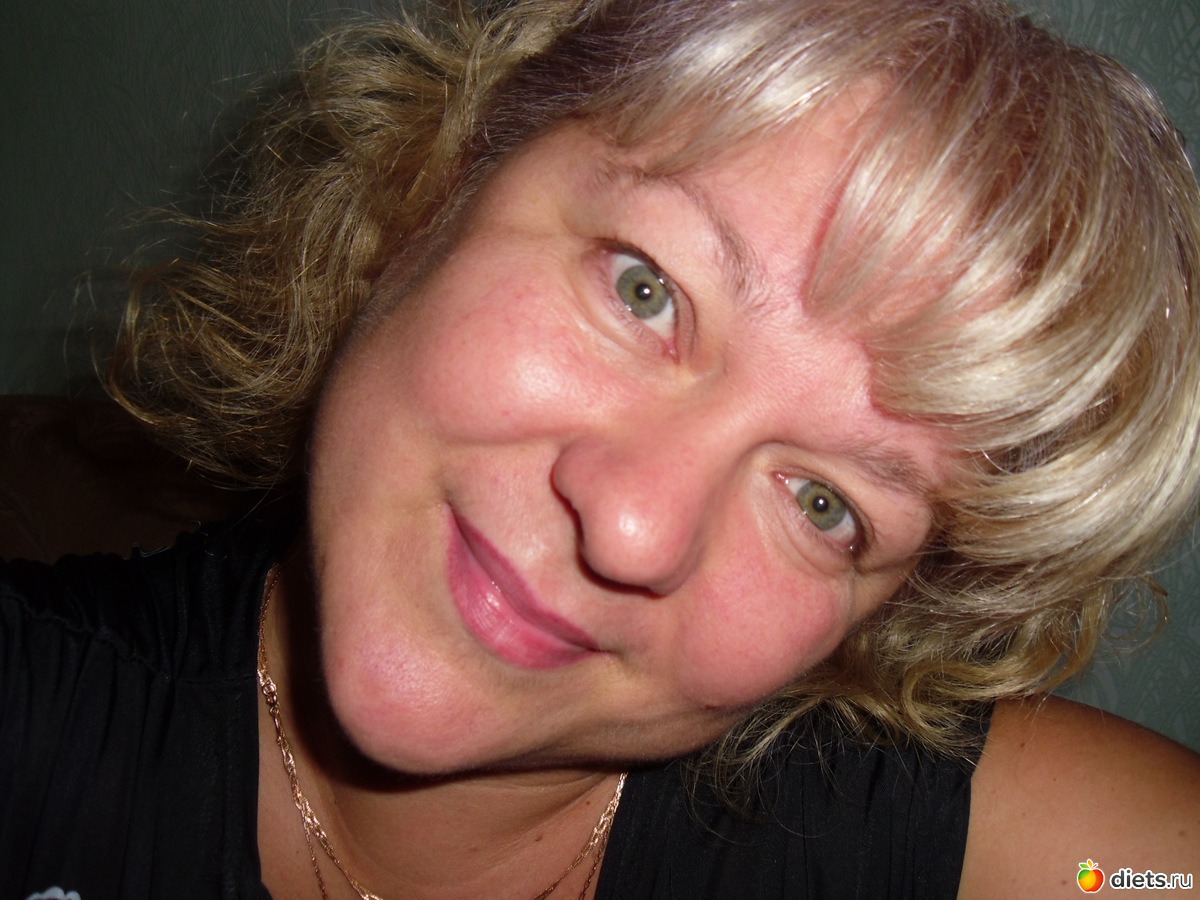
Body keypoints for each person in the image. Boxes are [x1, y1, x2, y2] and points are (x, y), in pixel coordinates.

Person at [3, 0, 1200, 897]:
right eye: (646, 290)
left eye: (824, 504)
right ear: (441, 181)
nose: (635, 529)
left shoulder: (984, 850)